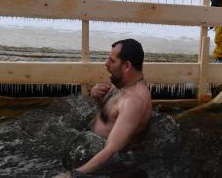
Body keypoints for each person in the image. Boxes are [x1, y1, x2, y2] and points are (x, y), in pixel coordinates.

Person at [56, 39, 152, 177]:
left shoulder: (134, 102)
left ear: (127, 66)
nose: (106, 64)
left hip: (107, 164)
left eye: (112, 61)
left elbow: (111, 150)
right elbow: (109, 118)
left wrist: (73, 175)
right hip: (88, 143)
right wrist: (97, 97)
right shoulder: (123, 84)